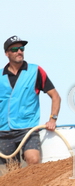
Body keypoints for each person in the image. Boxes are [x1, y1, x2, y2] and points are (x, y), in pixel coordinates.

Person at [0, 36, 61, 167]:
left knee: (33, 160)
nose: (19, 52)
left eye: (21, 48)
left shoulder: (35, 71)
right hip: (3, 131)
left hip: (28, 128)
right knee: (11, 170)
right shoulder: (0, 76)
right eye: (14, 49)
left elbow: (55, 96)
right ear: (7, 53)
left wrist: (53, 119)